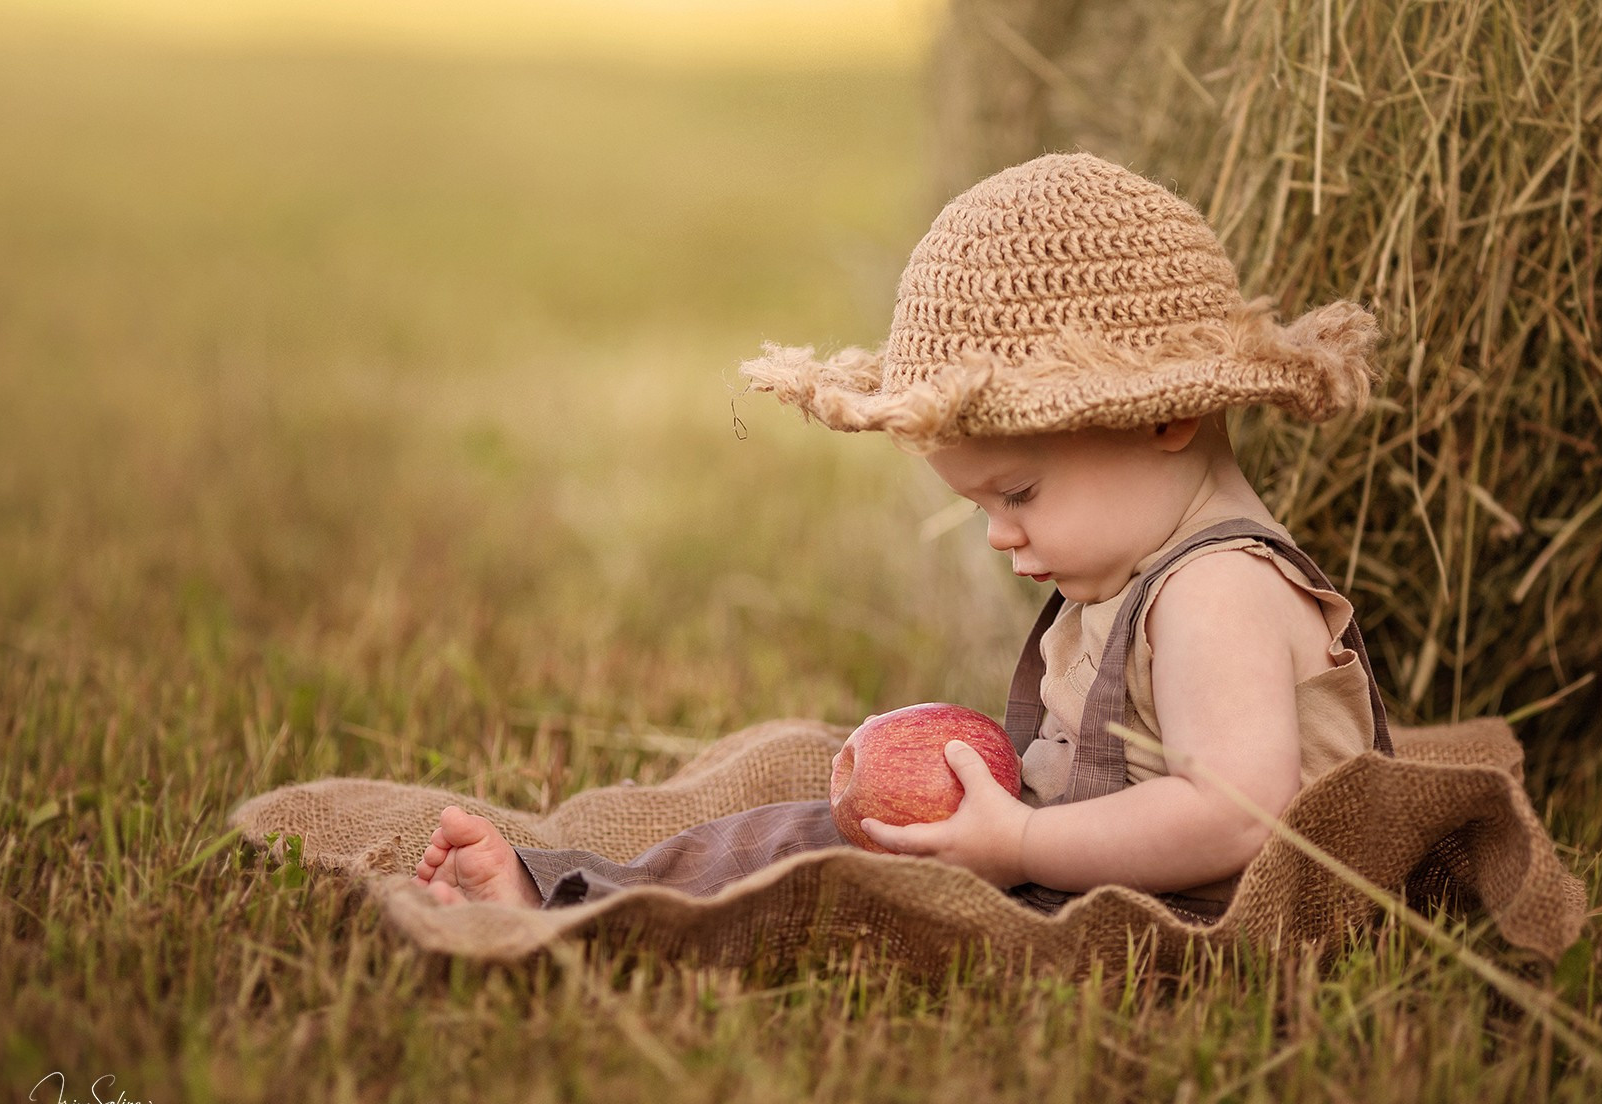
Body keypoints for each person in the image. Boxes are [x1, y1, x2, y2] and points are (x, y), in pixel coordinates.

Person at [412, 152, 1391, 921]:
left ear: (1162, 418)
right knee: (814, 831)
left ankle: (590, 910)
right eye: (982, 508)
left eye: (1019, 492)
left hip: (1185, 913)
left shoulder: (1215, 591)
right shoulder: (1147, 563)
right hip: (1084, 865)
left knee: (844, 892)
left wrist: (1020, 849)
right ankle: (573, 887)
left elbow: (1238, 813)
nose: (1001, 538)